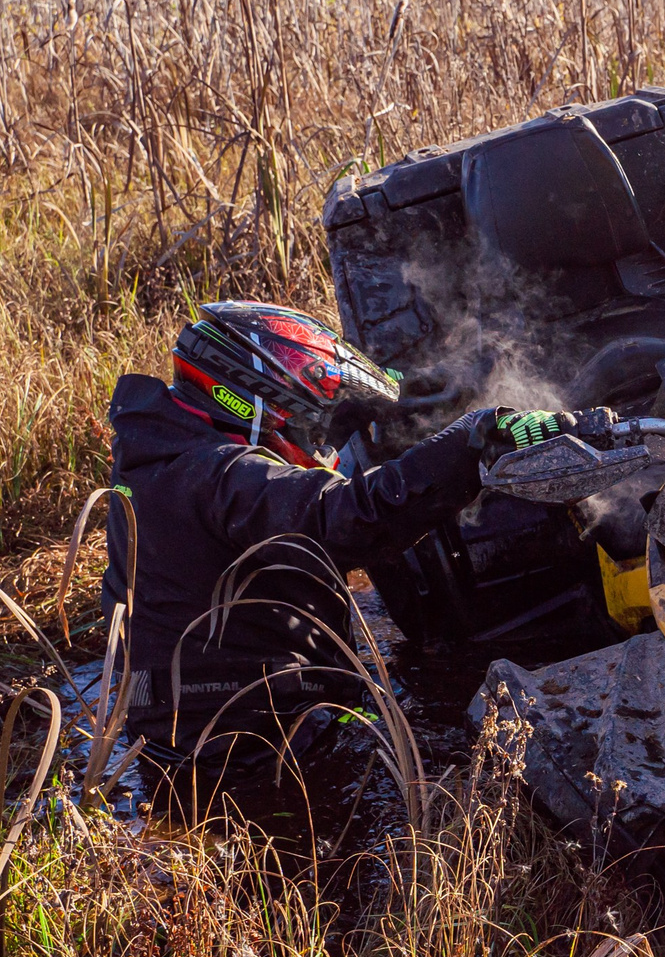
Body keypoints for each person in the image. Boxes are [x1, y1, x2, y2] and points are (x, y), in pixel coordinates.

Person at [100, 300, 575, 805]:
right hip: (248, 759)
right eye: (317, 422)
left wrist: (401, 394)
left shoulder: (164, 452)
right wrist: (468, 444)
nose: (324, 441)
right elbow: (342, 518)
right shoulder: (215, 475)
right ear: (254, 396)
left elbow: (299, 493)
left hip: (209, 734)